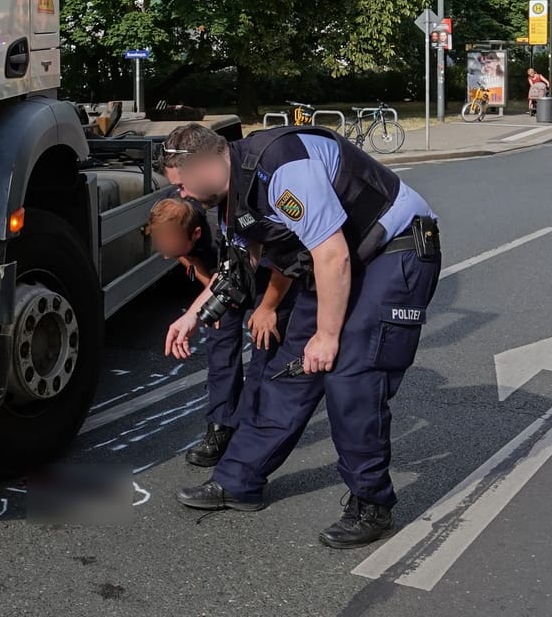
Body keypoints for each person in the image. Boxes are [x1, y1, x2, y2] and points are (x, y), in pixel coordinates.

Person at [165, 121, 443, 550]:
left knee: (351, 375)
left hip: (392, 250)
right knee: (287, 371)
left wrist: (328, 336)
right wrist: (191, 317)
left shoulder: (282, 170)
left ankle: (371, 505)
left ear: (203, 166)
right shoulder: (234, 189)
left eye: (182, 185)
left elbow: (332, 257)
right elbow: (238, 269)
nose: (181, 195)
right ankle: (238, 482)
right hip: (337, 259)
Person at [148, 195, 254, 467]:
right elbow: (192, 260)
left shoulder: (216, 228)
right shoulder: (181, 217)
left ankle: (257, 426)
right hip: (222, 278)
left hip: (253, 272)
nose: (164, 254)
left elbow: (227, 272)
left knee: (267, 341)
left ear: (195, 234)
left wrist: (267, 309)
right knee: (220, 342)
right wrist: (210, 296)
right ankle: (220, 427)